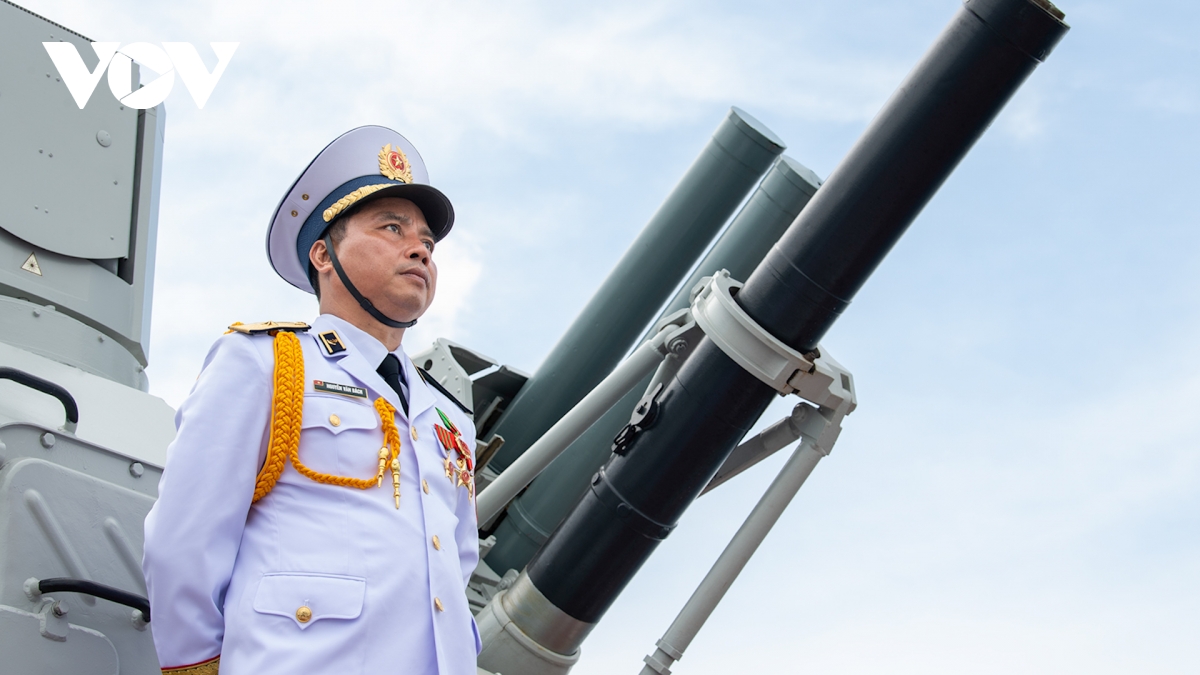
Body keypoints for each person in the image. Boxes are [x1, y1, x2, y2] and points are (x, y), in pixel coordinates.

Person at [143, 126, 480, 675]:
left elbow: (456, 564)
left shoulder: (449, 416)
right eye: (392, 227)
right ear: (324, 254)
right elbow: (184, 542)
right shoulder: (266, 363)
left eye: (427, 242)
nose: (420, 248)